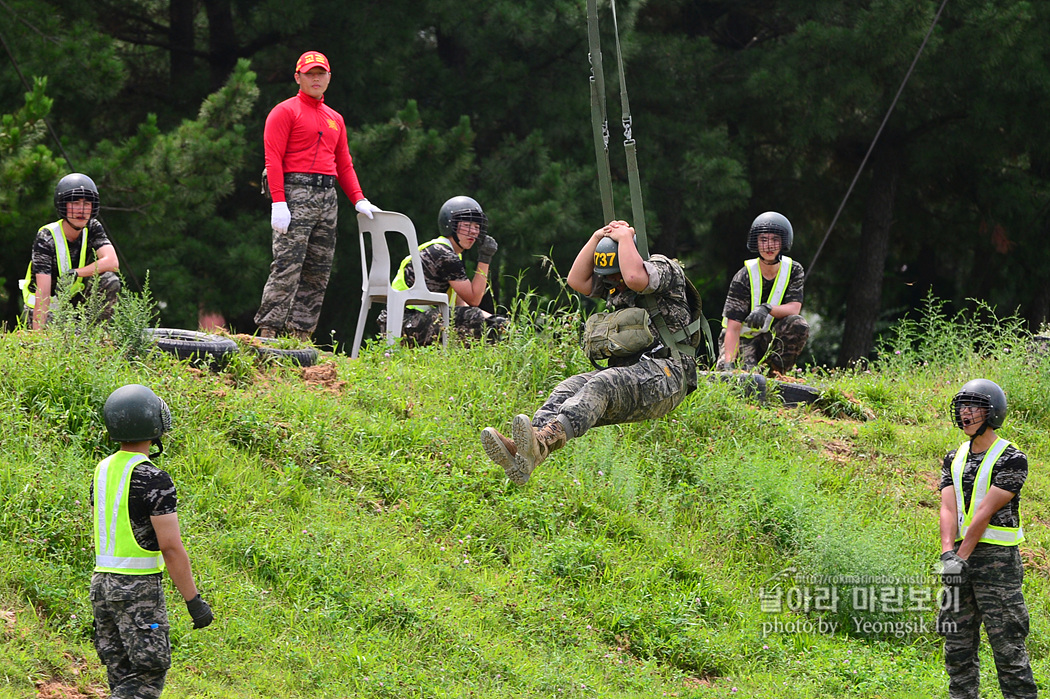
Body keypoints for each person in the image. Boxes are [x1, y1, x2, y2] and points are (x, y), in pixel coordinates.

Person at [481, 220, 699, 484]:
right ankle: (527, 451)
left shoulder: (663, 270)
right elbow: (577, 279)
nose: (614, 285)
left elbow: (634, 277)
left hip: (668, 375)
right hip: (633, 373)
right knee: (566, 388)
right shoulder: (615, 283)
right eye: (608, 279)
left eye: (615, 277)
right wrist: (597, 237)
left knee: (603, 383)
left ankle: (542, 441)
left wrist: (625, 236)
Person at [91, 384, 214, 698]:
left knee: (122, 678)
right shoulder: (153, 478)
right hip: (138, 592)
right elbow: (170, 547)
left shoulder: (102, 471)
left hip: (102, 587)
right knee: (148, 675)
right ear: (152, 426)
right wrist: (194, 602)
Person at [255, 50, 381, 342]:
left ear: (329, 78)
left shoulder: (334, 118)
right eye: (309, 73)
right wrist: (278, 202)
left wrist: (358, 199)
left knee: (319, 268)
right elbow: (273, 159)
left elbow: (344, 163)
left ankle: (301, 334)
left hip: (327, 196)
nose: (315, 78)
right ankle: (268, 332)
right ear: (298, 77)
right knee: (288, 264)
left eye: (320, 73)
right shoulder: (285, 111)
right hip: (295, 191)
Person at [937, 379, 1036, 699]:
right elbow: (947, 507)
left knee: (1008, 649)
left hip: (997, 564)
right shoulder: (953, 457)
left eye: (974, 407)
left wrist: (961, 557)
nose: (965, 414)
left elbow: (985, 512)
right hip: (958, 561)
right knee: (957, 648)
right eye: (962, 407)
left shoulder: (1012, 458)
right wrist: (947, 554)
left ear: (992, 413)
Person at [379, 196, 507, 346]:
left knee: (489, 322)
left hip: (404, 321)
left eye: (477, 227)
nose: (473, 232)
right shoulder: (444, 254)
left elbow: (461, 305)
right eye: (467, 225)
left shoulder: (447, 251)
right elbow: (474, 299)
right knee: (477, 321)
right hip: (403, 323)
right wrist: (485, 258)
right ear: (450, 225)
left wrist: (496, 321)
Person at [20, 173, 120, 329]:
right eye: (75, 202)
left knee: (109, 279)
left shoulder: (92, 227)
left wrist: (77, 273)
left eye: (87, 203)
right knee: (52, 334)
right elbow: (43, 292)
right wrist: (37, 339)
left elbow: (112, 262)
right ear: (62, 205)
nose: (81, 209)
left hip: (72, 305)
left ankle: (96, 337)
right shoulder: (46, 236)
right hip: (44, 307)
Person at [717, 211, 808, 374]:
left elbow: (794, 308)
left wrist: (766, 308)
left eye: (775, 239)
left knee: (798, 323)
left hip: (769, 337)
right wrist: (729, 365)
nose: (769, 246)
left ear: (783, 242)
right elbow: (733, 327)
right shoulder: (743, 276)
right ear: (756, 243)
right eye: (763, 240)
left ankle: (777, 372)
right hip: (742, 339)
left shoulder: (794, 270)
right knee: (741, 379)